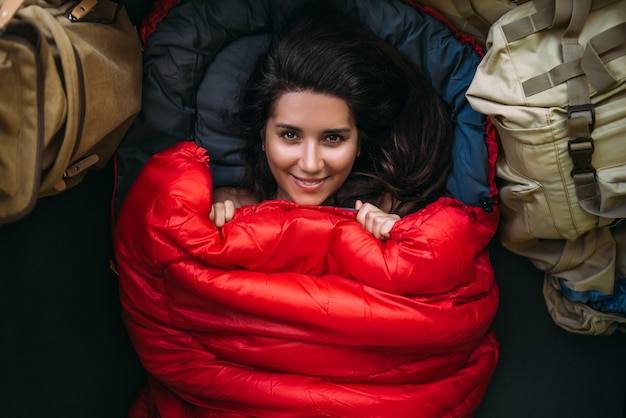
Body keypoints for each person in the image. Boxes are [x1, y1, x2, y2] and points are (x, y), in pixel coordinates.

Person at [210, 6, 454, 240]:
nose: (310, 163)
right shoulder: (225, 205)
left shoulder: (389, 213)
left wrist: (398, 238)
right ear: (262, 135)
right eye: (290, 135)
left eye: (333, 138)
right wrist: (209, 231)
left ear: (359, 142)